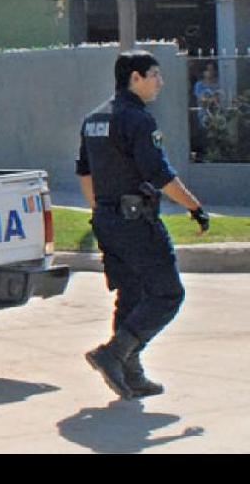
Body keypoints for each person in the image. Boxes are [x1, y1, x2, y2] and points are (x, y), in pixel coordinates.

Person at [76, 50, 210, 400]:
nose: (160, 82)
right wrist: (195, 208)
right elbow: (160, 175)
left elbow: (85, 172)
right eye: (155, 75)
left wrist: (102, 212)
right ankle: (113, 354)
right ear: (135, 78)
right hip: (136, 222)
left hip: (107, 220)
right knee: (168, 294)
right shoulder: (137, 119)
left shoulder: (94, 119)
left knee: (131, 295)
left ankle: (130, 373)